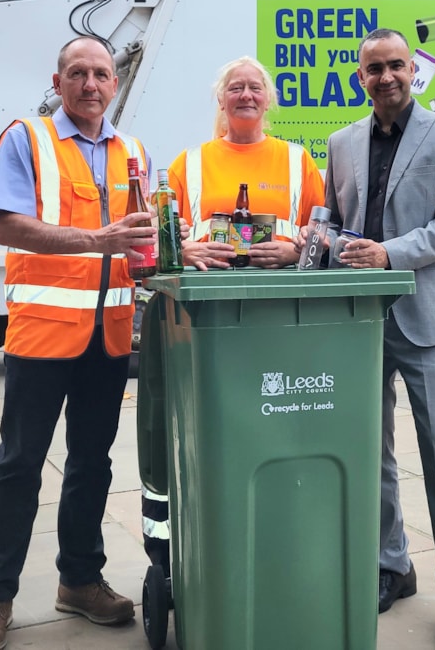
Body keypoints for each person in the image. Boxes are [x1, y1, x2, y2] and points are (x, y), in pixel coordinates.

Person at [0, 35, 158, 650]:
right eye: (79, 73)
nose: (91, 84)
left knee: (92, 465)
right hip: (43, 335)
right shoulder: (28, 137)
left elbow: (140, 240)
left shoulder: (134, 151)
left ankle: (80, 580)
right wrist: (97, 240)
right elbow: (7, 225)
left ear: (115, 83)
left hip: (109, 335)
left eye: (102, 73)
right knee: (19, 467)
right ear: (58, 81)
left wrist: (181, 255)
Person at [309, 27, 435, 650]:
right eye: (373, 69)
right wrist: (313, 247)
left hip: (424, 316)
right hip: (357, 318)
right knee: (371, 452)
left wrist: (388, 255)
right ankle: (393, 566)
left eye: (396, 66)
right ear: (361, 77)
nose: (386, 77)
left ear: (414, 71)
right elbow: (330, 219)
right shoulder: (341, 142)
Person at [138, 54, 327, 574]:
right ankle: (186, 552)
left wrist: (294, 252)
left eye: (255, 88)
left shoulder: (297, 160)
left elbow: (321, 232)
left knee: (277, 418)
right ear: (221, 101)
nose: (246, 96)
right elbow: (160, 235)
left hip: (281, 314)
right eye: (235, 88)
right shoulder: (188, 164)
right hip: (206, 318)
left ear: (268, 99)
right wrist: (190, 252)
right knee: (212, 426)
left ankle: (281, 532)